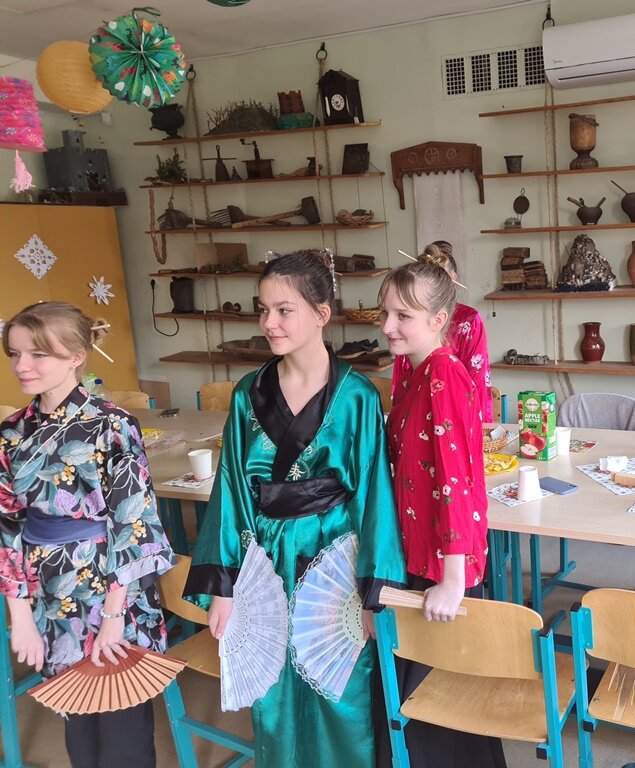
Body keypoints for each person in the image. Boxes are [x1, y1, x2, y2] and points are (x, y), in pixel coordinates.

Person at [183, 251, 406, 766]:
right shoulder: (248, 394)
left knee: (339, 683)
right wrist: (224, 586)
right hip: (264, 556)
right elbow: (231, 490)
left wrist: (374, 593)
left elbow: (374, 494)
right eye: (263, 310)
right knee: (274, 687)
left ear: (322, 313)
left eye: (284, 310)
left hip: (334, 557)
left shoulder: (357, 396)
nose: (269, 323)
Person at [0, 301, 174, 767]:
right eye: (14, 353)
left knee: (122, 723)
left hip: (111, 586)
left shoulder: (112, 424)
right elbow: (6, 526)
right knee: (75, 718)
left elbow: (134, 523)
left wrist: (114, 616)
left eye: (38, 354)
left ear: (77, 356)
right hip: (49, 588)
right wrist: (20, 616)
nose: (22, 365)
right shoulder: (10, 433)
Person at [378, 258, 504, 767]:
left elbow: (456, 483)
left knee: (439, 706)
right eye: (385, 313)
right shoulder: (415, 371)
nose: (388, 326)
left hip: (441, 564)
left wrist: (452, 579)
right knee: (418, 704)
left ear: (438, 320)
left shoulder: (444, 377)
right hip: (418, 552)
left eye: (403, 316)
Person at [392, 241, 494, 421]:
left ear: (453, 278)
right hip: (413, 411)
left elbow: (477, 377)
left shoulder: (469, 319)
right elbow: (402, 373)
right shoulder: (409, 321)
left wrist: (478, 426)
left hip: (456, 413)